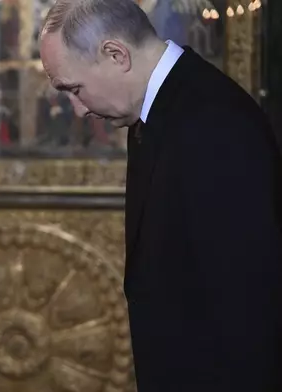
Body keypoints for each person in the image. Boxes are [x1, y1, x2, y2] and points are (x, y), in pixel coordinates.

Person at [38, 0, 282, 391]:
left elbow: (245, 309)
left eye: (75, 89)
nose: (78, 110)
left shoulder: (213, 124)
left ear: (115, 54)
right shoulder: (160, 110)